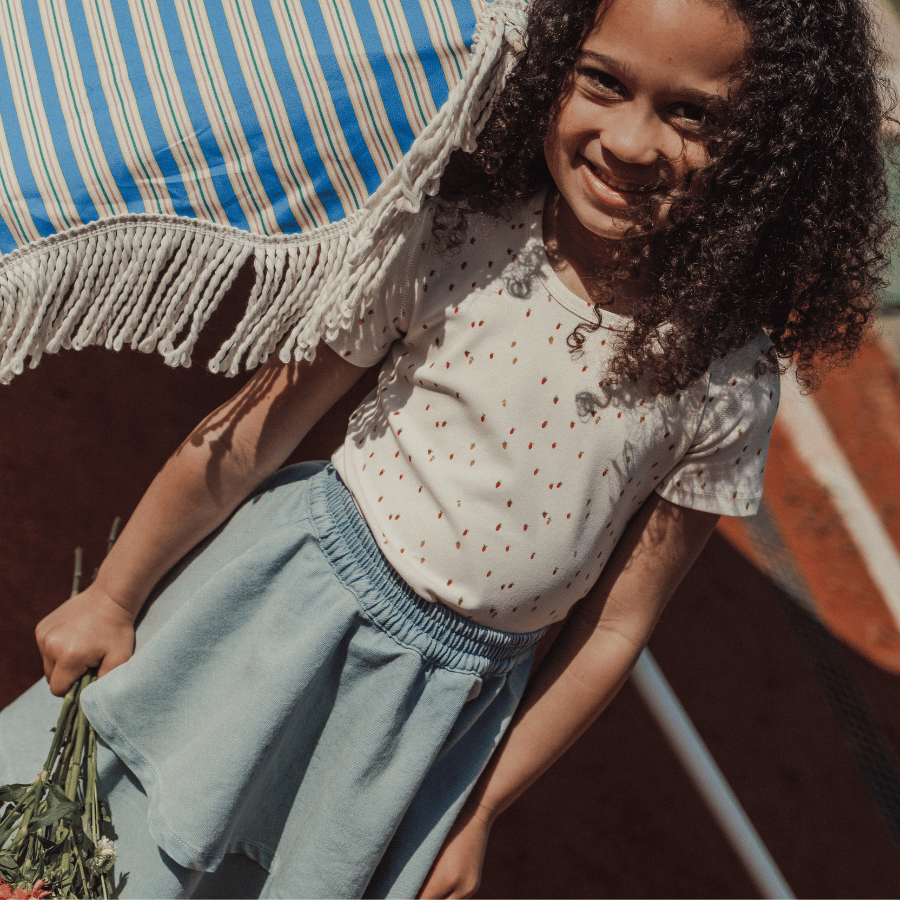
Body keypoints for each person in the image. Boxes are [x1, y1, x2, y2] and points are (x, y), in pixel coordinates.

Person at [0, 0, 892, 895]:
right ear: (546, 66)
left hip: (426, 721)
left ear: (774, 146)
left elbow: (617, 626)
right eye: (603, 81)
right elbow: (260, 425)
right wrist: (112, 596)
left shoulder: (728, 379)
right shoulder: (456, 233)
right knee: (96, 847)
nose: (631, 139)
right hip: (268, 610)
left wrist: (479, 810)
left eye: (692, 114)